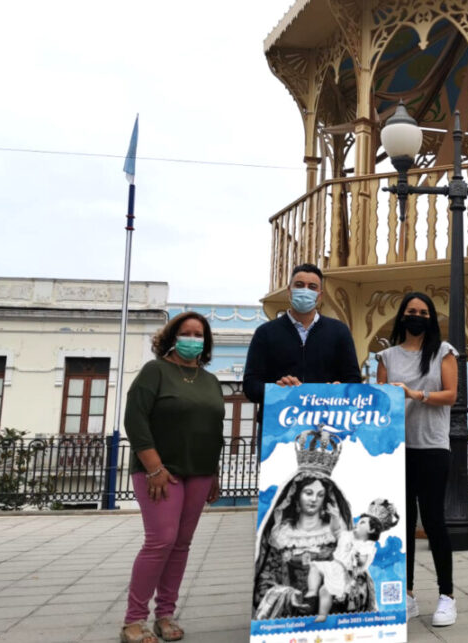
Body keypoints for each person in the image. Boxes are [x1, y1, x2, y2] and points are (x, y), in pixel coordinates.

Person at [121, 312, 225, 643]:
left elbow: (214, 430)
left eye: (199, 335)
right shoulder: (156, 371)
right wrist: (153, 467)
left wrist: (215, 473)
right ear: (172, 337)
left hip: (200, 472)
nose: (193, 339)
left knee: (181, 545)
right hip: (160, 473)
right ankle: (133, 620)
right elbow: (135, 418)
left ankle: (165, 614)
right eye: (186, 333)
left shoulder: (210, 381)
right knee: (160, 541)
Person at [375, 292, 459, 627]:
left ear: (431, 318)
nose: (417, 316)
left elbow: (451, 395)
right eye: (411, 311)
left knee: (435, 521)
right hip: (398, 449)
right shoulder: (386, 356)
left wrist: (415, 394)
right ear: (401, 315)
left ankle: (447, 595)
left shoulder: (443, 353)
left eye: (423, 312)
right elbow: (380, 400)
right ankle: (405, 595)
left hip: (432, 447)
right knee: (403, 524)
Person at [254, 431, 354, 620]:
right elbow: (265, 581)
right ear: (296, 496)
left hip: (330, 612)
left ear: (326, 498)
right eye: (308, 492)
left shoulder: (334, 534)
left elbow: (351, 576)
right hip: (290, 616)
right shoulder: (281, 535)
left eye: (319, 494)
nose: (314, 499)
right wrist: (290, 597)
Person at [243, 263, 361, 413]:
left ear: (320, 295)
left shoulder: (339, 331)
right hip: (277, 425)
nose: (305, 290)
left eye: (312, 287)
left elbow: (354, 381)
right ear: (289, 291)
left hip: (325, 422)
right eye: (299, 285)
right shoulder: (265, 333)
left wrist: (341, 388)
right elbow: (250, 385)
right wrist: (276, 389)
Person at [309, 498, 400, 620]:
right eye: (358, 522)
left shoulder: (366, 545)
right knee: (314, 568)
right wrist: (335, 516)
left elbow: (363, 561)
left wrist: (358, 557)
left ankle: (325, 614)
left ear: (371, 530)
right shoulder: (347, 536)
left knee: (327, 591)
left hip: (348, 575)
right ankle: (312, 591)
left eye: (362, 523)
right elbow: (336, 530)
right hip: (335, 567)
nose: (357, 524)